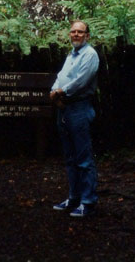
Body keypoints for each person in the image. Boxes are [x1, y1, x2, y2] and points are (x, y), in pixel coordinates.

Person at [50, 19, 99, 218]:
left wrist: (61, 91)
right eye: (73, 31)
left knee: (83, 158)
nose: (76, 35)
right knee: (70, 158)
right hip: (65, 109)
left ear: (87, 35)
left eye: (80, 32)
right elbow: (62, 75)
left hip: (79, 108)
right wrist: (54, 90)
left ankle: (88, 202)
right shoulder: (71, 55)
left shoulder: (90, 55)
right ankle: (74, 198)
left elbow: (81, 81)